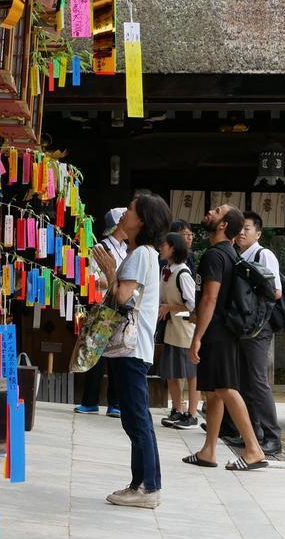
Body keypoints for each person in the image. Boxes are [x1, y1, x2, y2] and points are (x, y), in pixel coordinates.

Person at [90, 192, 171, 508]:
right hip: (136, 347)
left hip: (131, 347)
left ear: (142, 221)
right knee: (137, 419)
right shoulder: (146, 254)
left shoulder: (140, 255)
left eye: (132, 210)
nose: (125, 213)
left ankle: (147, 487)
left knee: (136, 419)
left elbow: (121, 297)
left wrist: (110, 271)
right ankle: (143, 483)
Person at [181, 204, 268, 471]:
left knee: (226, 389)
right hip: (226, 329)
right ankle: (208, 450)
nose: (210, 211)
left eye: (216, 211)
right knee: (215, 391)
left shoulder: (214, 255)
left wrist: (197, 336)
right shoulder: (231, 254)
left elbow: (210, 298)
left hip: (216, 330)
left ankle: (253, 449)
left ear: (222, 225)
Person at [214, 212, 283, 455]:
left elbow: (276, 292)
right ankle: (251, 435)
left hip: (258, 327)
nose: (242, 233)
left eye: (248, 228)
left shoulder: (263, 255)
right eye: (240, 229)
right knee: (243, 381)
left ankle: (272, 436)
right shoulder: (238, 255)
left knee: (256, 380)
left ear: (258, 233)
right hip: (241, 327)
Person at [75, 207, 128, 417]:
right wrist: (117, 280)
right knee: (94, 352)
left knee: (116, 352)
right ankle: (90, 400)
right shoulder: (101, 247)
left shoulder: (127, 249)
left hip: (120, 304)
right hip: (104, 305)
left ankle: (114, 402)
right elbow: (93, 280)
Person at [157, 233, 199, 429]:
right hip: (171, 330)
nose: (160, 248)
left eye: (163, 245)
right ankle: (177, 409)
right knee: (172, 372)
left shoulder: (183, 274)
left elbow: (193, 305)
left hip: (184, 330)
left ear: (173, 248)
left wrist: (169, 308)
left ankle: (191, 414)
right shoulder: (166, 270)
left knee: (190, 373)